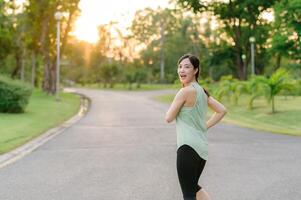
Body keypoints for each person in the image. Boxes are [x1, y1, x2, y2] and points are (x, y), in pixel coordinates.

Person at [165, 54, 227, 200]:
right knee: (193, 188)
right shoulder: (202, 92)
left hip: (187, 148)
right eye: (180, 67)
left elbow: (168, 117)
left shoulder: (184, 91)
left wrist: (176, 104)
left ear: (195, 70)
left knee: (188, 194)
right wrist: (204, 126)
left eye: (187, 67)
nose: (182, 70)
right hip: (201, 149)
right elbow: (222, 110)